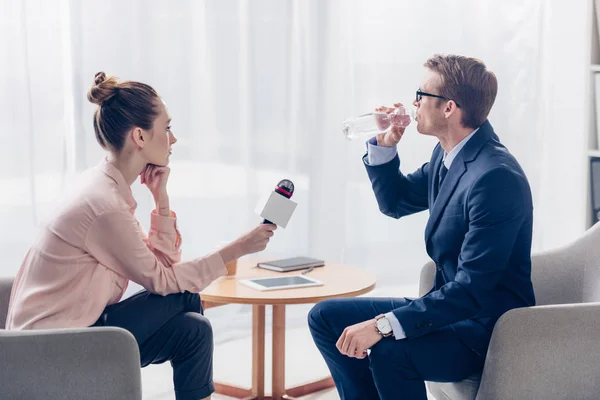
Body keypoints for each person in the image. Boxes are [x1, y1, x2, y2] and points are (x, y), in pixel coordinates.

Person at [5, 72, 277, 400]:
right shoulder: (103, 205)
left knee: (194, 329)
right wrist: (238, 248)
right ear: (140, 136)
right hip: (51, 347)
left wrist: (160, 198)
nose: (173, 140)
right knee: (184, 296)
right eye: (167, 128)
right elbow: (163, 280)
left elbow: (160, 268)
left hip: (81, 327)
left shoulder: (108, 190)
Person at [308, 54, 535, 400]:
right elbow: (396, 203)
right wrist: (385, 148)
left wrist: (383, 325)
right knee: (325, 317)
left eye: (421, 94)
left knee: (390, 351)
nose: (413, 103)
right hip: (448, 309)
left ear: (449, 109)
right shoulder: (447, 155)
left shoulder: (494, 177)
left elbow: (472, 290)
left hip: (484, 327)